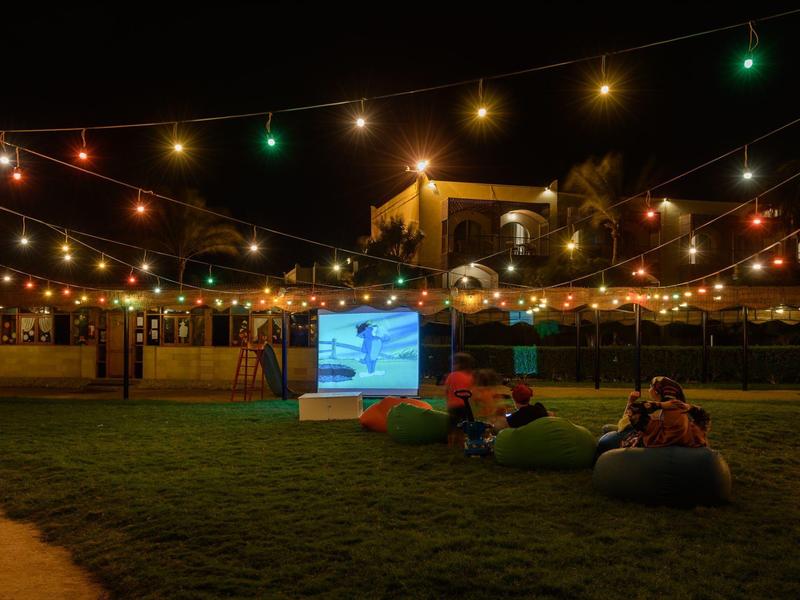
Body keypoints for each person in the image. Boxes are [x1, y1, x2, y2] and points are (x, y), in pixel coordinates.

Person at [596, 376, 710, 455]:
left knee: (608, 430)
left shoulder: (659, 426)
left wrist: (632, 402)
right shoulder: (693, 427)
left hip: (631, 437)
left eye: (651, 386)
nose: (649, 389)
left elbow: (630, 418)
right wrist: (689, 407)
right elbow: (703, 416)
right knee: (609, 428)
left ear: (657, 391)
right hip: (639, 431)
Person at [444, 352, 475, 445]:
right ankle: (460, 443)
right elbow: (471, 391)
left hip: (453, 406)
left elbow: (446, 390)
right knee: (462, 426)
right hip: (464, 406)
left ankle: (450, 443)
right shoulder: (469, 377)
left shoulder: (452, 375)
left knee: (452, 426)